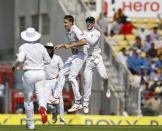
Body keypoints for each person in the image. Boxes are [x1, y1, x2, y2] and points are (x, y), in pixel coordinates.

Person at [13, 27, 51, 129]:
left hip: (29, 73)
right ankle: (42, 108)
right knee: (41, 95)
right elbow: (48, 61)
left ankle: (31, 124)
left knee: (28, 99)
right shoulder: (41, 47)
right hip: (41, 73)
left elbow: (20, 59)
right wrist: (39, 63)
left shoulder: (23, 46)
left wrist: (15, 66)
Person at [52, 15, 88, 112]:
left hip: (82, 55)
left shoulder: (76, 30)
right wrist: (63, 46)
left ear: (71, 23)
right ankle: (56, 97)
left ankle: (78, 102)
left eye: (66, 22)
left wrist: (70, 45)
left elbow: (84, 41)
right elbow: (73, 46)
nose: (64, 24)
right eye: (64, 22)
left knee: (72, 76)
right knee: (61, 73)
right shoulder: (68, 32)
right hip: (76, 55)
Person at [83, 16, 110, 114]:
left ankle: (107, 87)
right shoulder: (84, 32)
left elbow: (92, 42)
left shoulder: (97, 33)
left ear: (94, 24)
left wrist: (83, 36)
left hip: (97, 58)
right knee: (87, 82)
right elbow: (81, 43)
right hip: (89, 59)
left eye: (90, 22)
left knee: (104, 76)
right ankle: (85, 104)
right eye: (87, 22)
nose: (89, 24)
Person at [44, 42, 65, 124]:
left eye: (50, 48)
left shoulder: (58, 58)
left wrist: (59, 76)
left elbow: (63, 69)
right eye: (47, 48)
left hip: (56, 81)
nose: (48, 49)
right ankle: (54, 112)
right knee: (46, 101)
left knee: (60, 100)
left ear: (52, 49)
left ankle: (62, 120)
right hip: (46, 81)